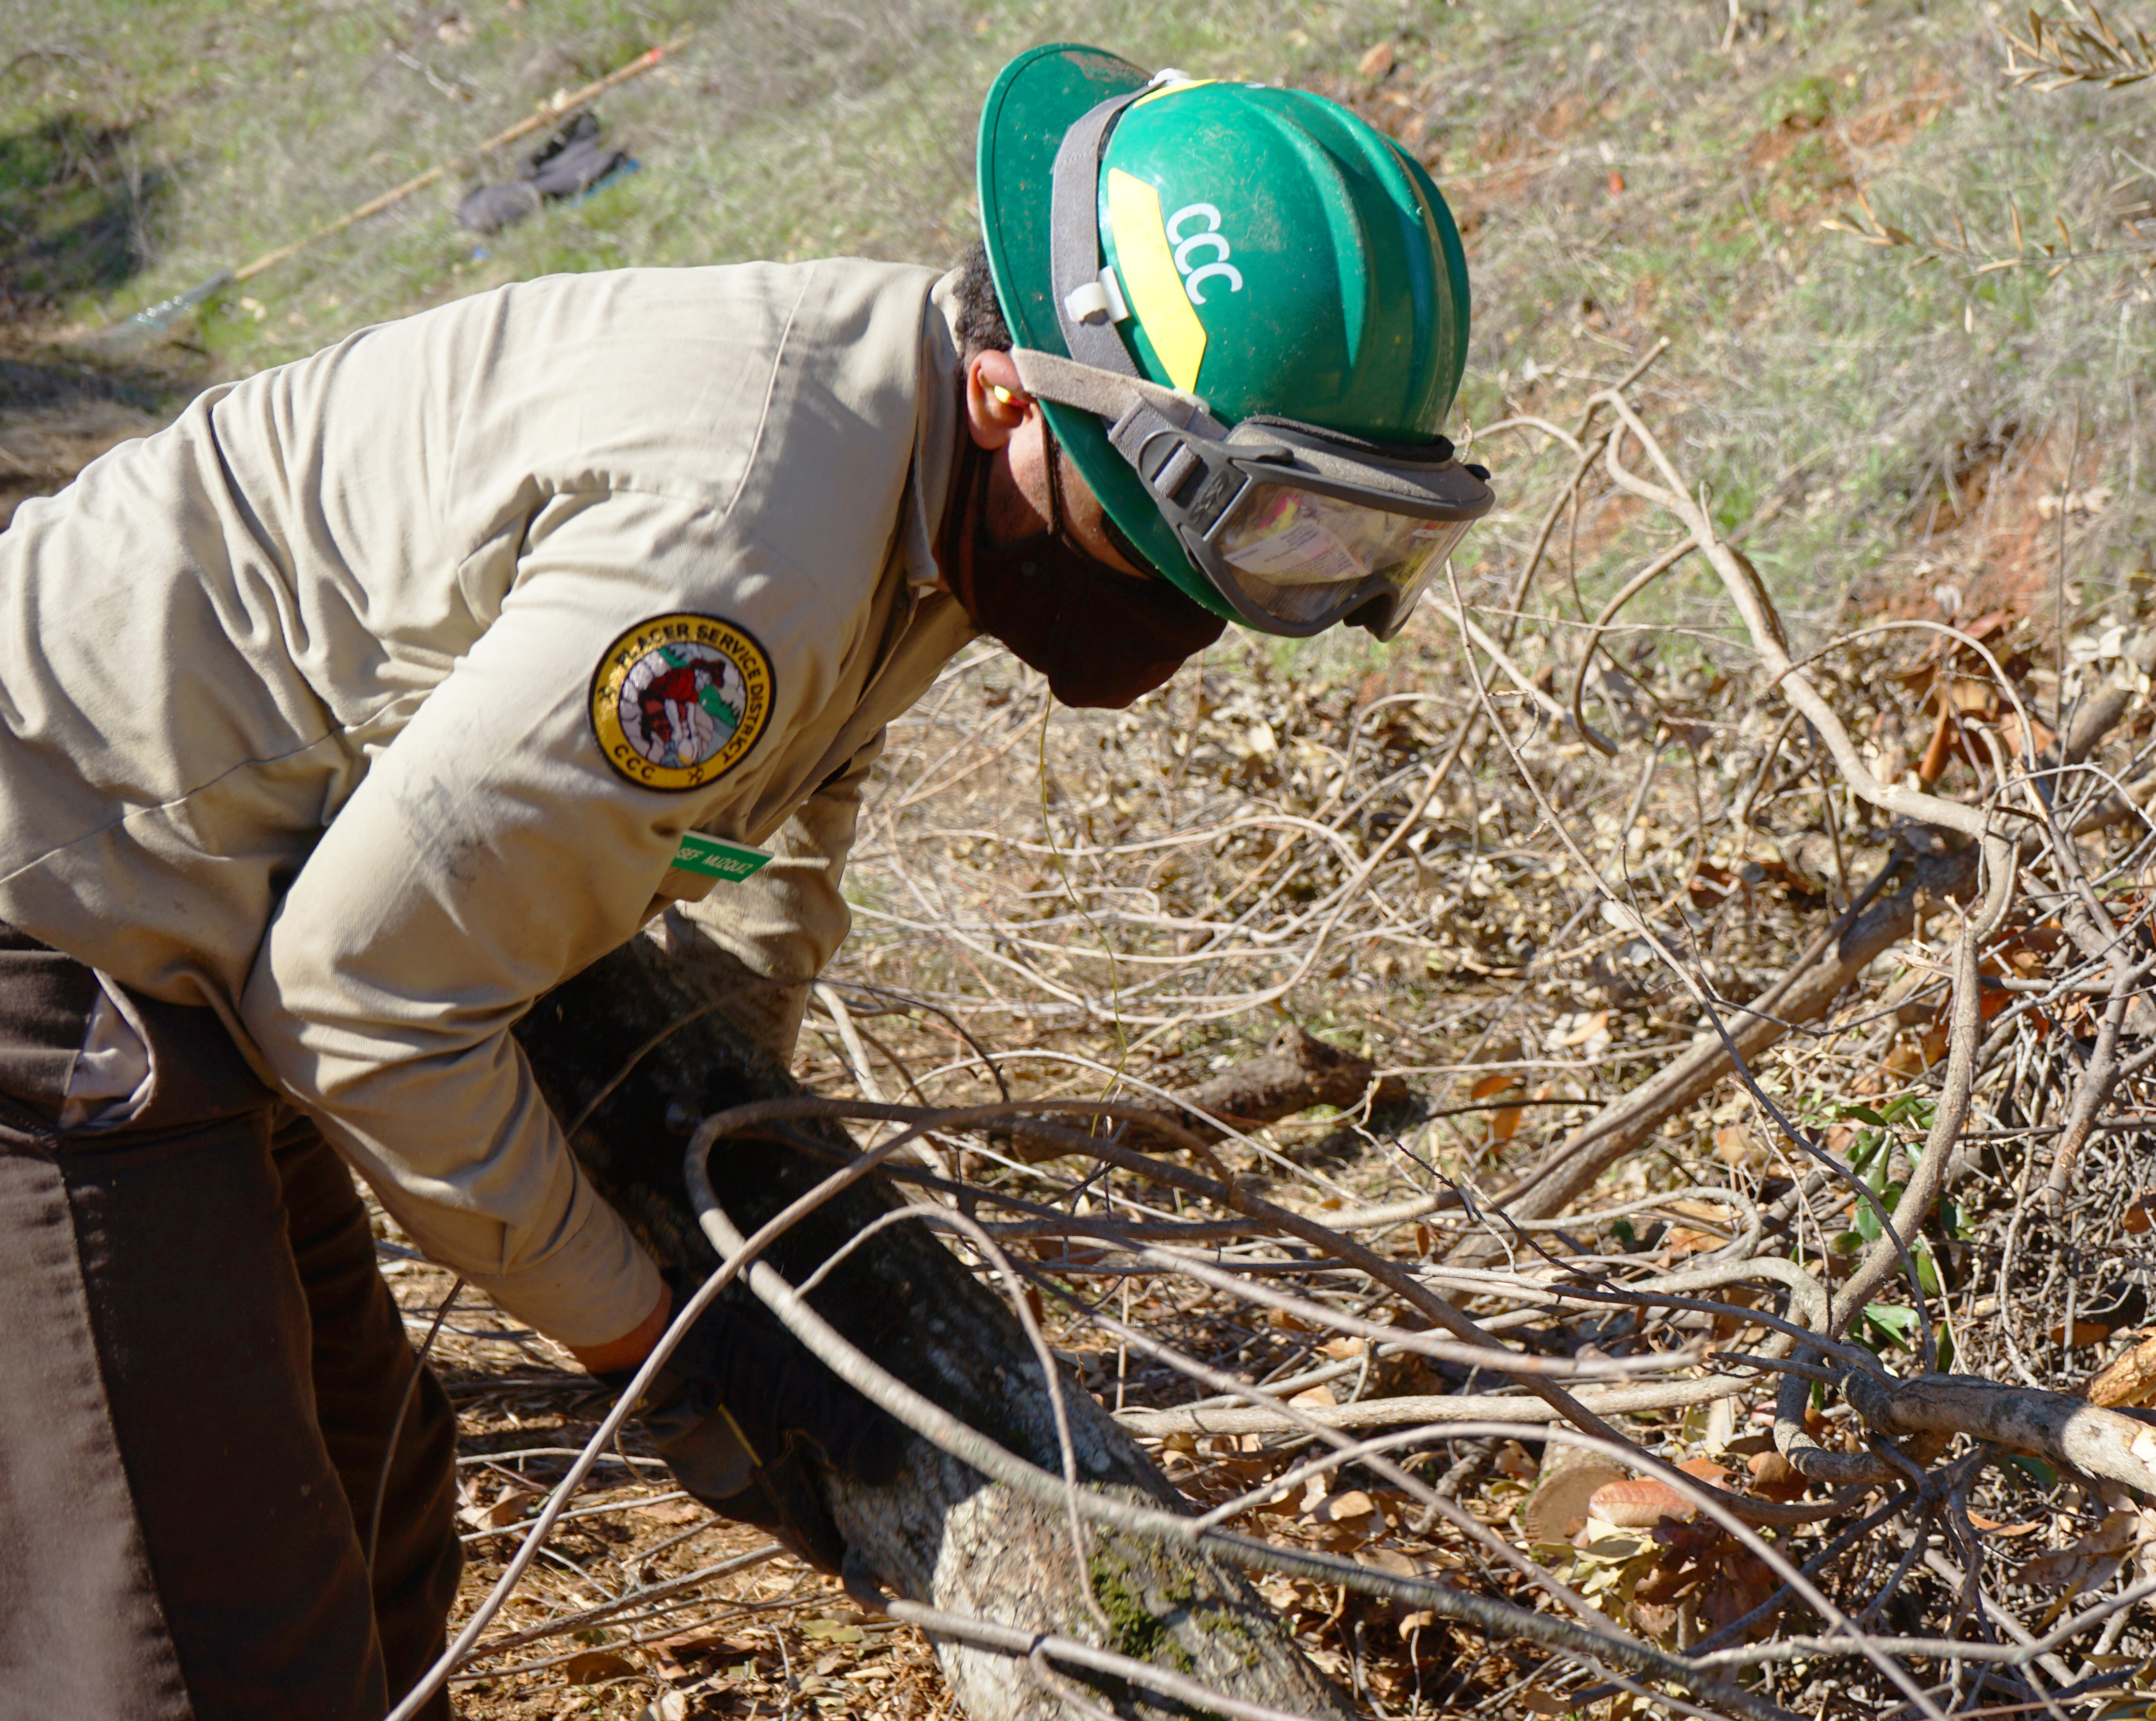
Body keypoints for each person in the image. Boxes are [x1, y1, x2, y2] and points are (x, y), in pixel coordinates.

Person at [0, 42, 1488, 1721]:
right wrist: (654, 1339)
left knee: (371, 1510)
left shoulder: (921, 457)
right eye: (1243, 521)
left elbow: (784, 804)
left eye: (1334, 544)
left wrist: (744, 1156)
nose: (1243, 599)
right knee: (200, 1660)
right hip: (57, 916)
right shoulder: (744, 547)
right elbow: (361, 1003)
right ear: (1025, 392)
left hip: (196, 894)